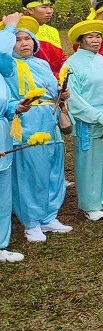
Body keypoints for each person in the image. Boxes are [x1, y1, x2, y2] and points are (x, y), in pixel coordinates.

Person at [6, 18, 70, 243]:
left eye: (28, 39)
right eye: (18, 39)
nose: (24, 43)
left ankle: (49, 215)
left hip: (50, 122)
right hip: (27, 124)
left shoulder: (41, 64)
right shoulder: (7, 66)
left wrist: (61, 95)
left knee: (53, 170)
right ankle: (31, 221)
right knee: (30, 174)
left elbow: (51, 92)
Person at [66, 20, 103, 222]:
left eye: (98, 36)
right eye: (90, 37)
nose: (95, 40)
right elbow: (74, 99)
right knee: (90, 162)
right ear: (81, 40)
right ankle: (90, 204)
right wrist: (99, 117)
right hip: (90, 119)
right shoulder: (72, 65)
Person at [0, 14, 25, 263]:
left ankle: (1, 244)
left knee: (3, 191)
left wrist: (16, 108)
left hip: (3, 137)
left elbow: (5, 106)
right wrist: (9, 28)